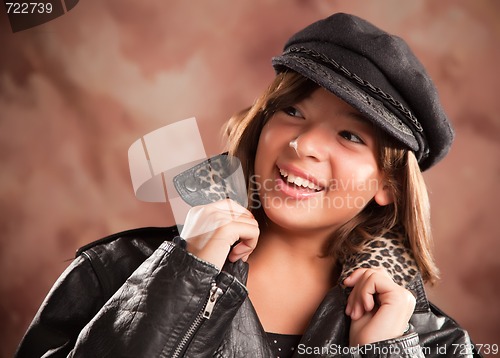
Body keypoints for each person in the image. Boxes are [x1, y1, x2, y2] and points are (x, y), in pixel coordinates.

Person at [16, 13, 481, 357]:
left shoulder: (432, 340)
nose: (302, 145)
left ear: (389, 187)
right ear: (261, 126)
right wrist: (180, 281)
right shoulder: (111, 273)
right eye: (293, 110)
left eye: (350, 135)